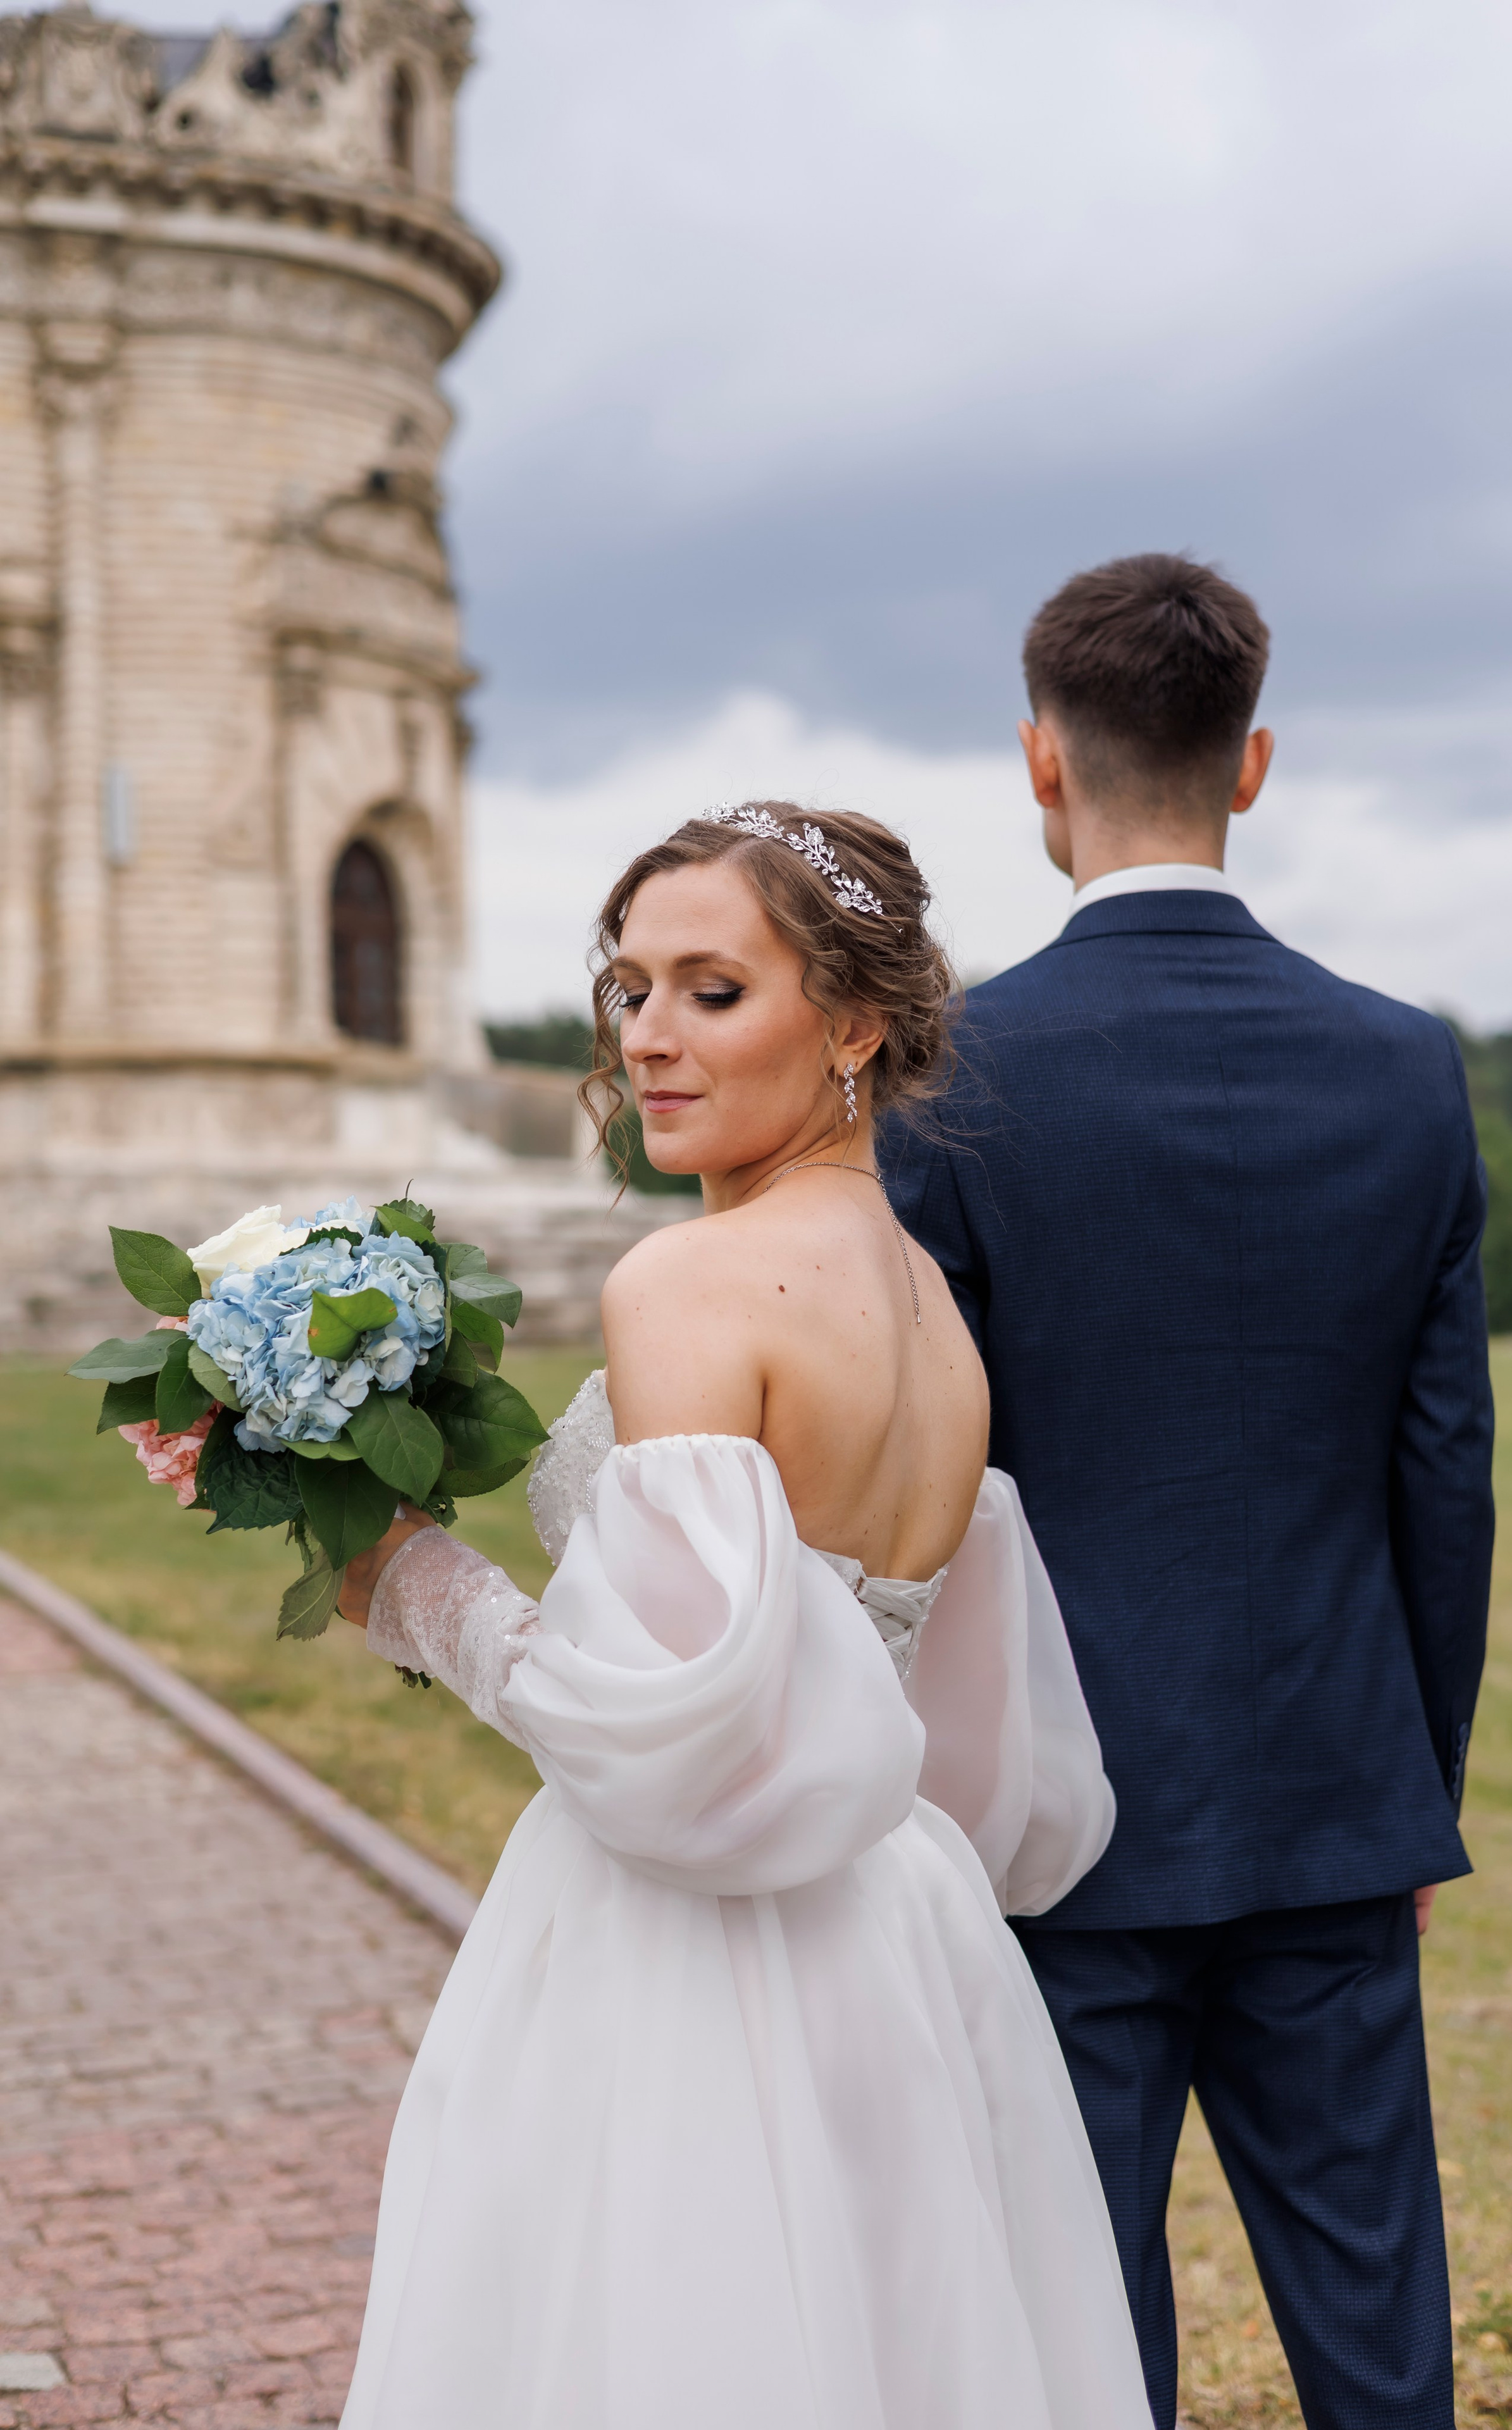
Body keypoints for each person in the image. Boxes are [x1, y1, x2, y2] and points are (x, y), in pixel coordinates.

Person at [333, 803, 1155, 2430]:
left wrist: (413, 1583)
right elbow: (978, 1742)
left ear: (854, 1022)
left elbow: (672, 1746)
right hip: (905, 1931)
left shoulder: (688, 1287)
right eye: (628, 988)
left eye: (712, 990)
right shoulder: (927, 1300)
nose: (647, 1037)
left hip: (698, 1954)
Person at [883, 552, 1495, 2430]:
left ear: (1038, 765)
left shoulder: (949, 1077)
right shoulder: (1408, 1070)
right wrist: (1413, 1790)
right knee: (1377, 2319)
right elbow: (1443, 1472)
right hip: (1334, 1794)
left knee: (1080, 2324)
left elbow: (924, 1481)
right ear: (1255, 765)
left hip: (1052, 1821)